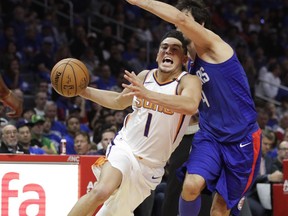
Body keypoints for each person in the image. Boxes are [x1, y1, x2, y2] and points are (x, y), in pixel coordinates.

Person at [125, 0, 261, 215]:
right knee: (189, 188)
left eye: (185, 20)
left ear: (201, 24)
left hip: (241, 139)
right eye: (178, 22)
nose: (178, 24)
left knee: (219, 210)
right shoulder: (188, 65)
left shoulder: (214, 46)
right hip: (210, 137)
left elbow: (177, 17)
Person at [67, 30, 202, 216]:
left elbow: (190, 104)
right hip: (126, 147)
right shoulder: (144, 76)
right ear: (157, 55)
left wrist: (148, 95)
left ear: (185, 58)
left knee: (111, 212)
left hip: (150, 167)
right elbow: (118, 102)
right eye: (164, 47)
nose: (168, 51)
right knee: (101, 191)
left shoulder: (188, 81)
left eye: (175, 49)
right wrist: (84, 91)